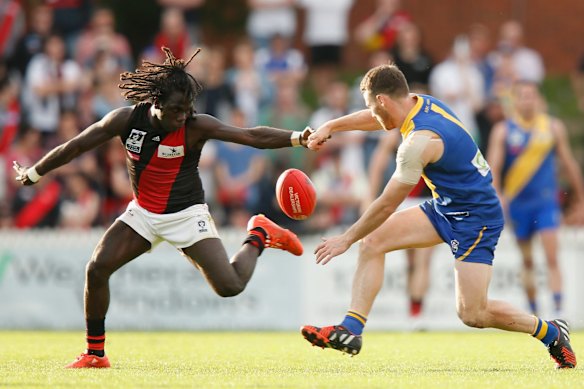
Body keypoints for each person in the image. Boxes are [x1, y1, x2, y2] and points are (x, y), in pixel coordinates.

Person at [13, 46, 311, 369]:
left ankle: (258, 234)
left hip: (187, 215)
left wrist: (299, 138)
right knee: (96, 269)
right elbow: (76, 145)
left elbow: (251, 136)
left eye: (186, 109)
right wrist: (35, 172)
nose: (182, 116)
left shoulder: (196, 125)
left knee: (230, 286)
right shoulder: (126, 120)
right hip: (143, 214)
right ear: (155, 103)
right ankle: (95, 354)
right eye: (176, 110)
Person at [300, 63, 576, 369]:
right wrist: (332, 126)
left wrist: (346, 238)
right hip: (446, 207)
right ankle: (351, 329)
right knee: (373, 241)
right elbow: (376, 119)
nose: (372, 114)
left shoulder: (419, 143)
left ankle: (551, 331)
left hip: (477, 217)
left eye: (371, 105)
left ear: (383, 101)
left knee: (473, 313)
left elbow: (387, 204)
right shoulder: (416, 102)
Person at [487, 81, 584, 316]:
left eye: (532, 96)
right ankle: (535, 314)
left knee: (552, 256)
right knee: (528, 261)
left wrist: (580, 197)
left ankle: (559, 312)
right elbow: (493, 168)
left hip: (545, 202)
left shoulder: (551, 127)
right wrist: (498, 195)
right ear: (515, 101)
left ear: (538, 99)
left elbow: (568, 162)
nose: (528, 100)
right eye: (523, 96)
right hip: (518, 203)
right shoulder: (504, 131)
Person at [365, 129, 434, 327]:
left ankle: (414, 313)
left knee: (418, 262)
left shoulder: (402, 131)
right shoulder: (425, 131)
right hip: (414, 200)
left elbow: (378, 163)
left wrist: (370, 197)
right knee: (417, 263)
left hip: (409, 201)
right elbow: (379, 162)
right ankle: (415, 312)